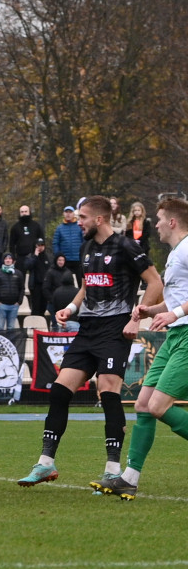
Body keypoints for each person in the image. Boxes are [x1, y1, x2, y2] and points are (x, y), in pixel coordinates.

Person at [17, 195, 163, 488]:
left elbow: (155, 282)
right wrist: (71, 308)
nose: (78, 222)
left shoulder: (126, 246)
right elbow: (87, 284)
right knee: (59, 391)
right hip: (87, 329)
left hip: (115, 329)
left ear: (99, 219)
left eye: (82, 217)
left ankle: (112, 469)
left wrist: (137, 317)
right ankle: (45, 464)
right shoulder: (85, 248)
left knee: (108, 391)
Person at [92, 198, 188, 499]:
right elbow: (176, 299)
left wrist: (175, 314)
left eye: (159, 219)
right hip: (174, 335)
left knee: (159, 407)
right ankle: (129, 478)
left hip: (186, 335)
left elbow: (179, 307)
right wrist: (152, 310)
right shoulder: (176, 252)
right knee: (143, 404)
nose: (155, 224)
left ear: (172, 221)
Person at [0, 252, 24, 330]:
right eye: (6, 258)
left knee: (11, 328)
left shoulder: (18, 273)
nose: (8, 260)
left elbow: (22, 288)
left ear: (13, 260)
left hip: (14, 306)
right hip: (1, 305)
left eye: (10, 258)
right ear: (3, 260)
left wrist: (19, 302)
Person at [43, 253, 76, 328]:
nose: (61, 262)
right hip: (53, 303)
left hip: (67, 303)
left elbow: (72, 285)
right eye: (59, 260)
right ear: (56, 261)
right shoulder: (50, 272)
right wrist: (52, 300)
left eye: (63, 260)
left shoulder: (68, 271)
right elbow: (45, 288)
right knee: (56, 324)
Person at [52, 206, 83, 285]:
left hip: (78, 259)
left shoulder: (80, 227)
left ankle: (82, 297)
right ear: (63, 214)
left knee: (81, 282)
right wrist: (58, 256)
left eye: (70, 212)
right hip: (65, 260)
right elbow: (56, 243)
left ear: (73, 214)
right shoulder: (59, 228)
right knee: (64, 282)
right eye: (66, 212)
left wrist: (83, 254)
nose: (68, 214)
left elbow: (84, 241)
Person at [9, 205, 45, 273]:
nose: (24, 213)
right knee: (20, 280)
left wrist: (41, 255)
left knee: (34, 280)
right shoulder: (15, 227)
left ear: (29, 212)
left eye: (26, 211)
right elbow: (12, 244)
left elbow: (42, 240)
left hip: (34, 256)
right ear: (19, 213)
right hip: (20, 257)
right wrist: (13, 257)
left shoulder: (36, 225)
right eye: (22, 212)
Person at [24, 237, 51, 317]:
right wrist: (35, 256)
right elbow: (28, 266)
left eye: (42, 245)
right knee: (35, 307)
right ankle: (34, 324)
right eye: (38, 245)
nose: (40, 247)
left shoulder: (48, 257)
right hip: (35, 286)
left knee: (43, 307)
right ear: (35, 246)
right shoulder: (30, 256)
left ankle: (41, 324)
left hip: (45, 285)